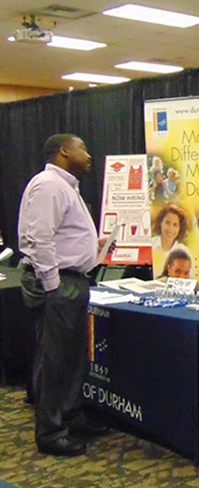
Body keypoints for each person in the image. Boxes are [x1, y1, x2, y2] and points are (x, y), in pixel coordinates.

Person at [17, 134, 111, 457]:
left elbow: (62, 236)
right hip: (58, 284)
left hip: (72, 280)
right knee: (55, 359)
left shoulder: (66, 186)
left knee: (71, 358)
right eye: (83, 148)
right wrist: (53, 283)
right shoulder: (49, 185)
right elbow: (38, 237)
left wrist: (89, 249)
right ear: (63, 151)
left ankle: (71, 416)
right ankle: (51, 432)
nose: (88, 154)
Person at [151, 203, 191, 275]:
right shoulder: (149, 245)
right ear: (160, 223)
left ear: (180, 228)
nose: (170, 229)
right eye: (167, 223)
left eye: (175, 225)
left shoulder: (185, 252)